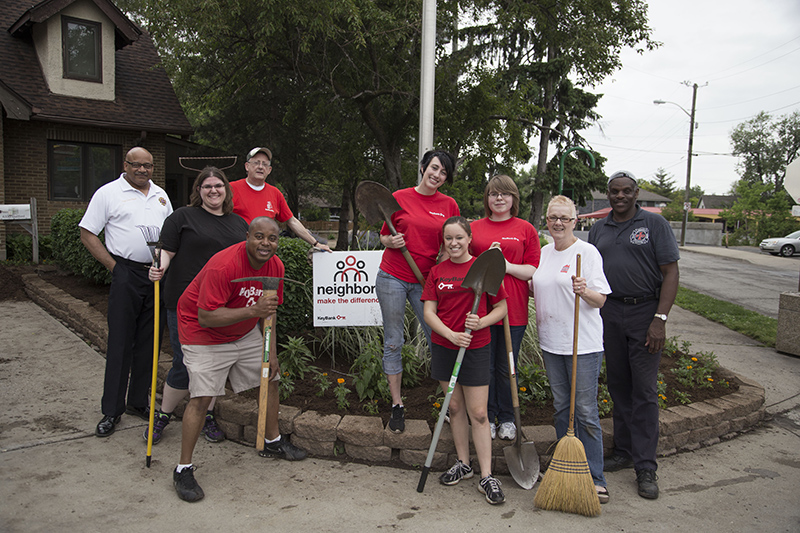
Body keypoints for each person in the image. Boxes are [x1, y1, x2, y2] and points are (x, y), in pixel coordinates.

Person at [172, 217, 307, 503]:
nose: (265, 243)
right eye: (259, 236)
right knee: (202, 397)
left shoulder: (275, 267)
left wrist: (270, 352)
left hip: (242, 331)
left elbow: (268, 310)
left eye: (272, 238)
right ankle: (183, 468)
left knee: (270, 378)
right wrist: (252, 311)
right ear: (247, 236)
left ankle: (272, 442)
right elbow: (206, 316)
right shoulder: (224, 265)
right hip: (202, 333)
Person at [588, 170, 680, 500]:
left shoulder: (654, 225)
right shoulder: (599, 228)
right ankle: (624, 451)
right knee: (618, 385)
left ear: (636, 193)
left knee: (644, 390)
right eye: (615, 191)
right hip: (609, 313)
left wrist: (660, 318)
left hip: (644, 313)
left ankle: (645, 466)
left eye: (627, 191)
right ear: (608, 194)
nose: (621, 196)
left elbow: (671, 273)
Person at [144, 167, 248, 445]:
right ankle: (163, 415)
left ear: (226, 190)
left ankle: (207, 416)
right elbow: (165, 251)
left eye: (218, 186)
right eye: (207, 186)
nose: (213, 190)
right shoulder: (182, 217)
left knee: (215, 366)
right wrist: (159, 269)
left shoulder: (239, 224)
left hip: (221, 307)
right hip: (185, 303)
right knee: (183, 363)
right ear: (198, 191)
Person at [79, 147, 173, 437]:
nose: (142, 170)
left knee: (150, 341)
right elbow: (87, 233)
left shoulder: (161, 195)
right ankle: (112, 410)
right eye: (136, 165)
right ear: (125, 165)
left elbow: (171, 232)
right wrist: (113, 267)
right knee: (120, 342)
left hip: (156, 273)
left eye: (148, 166)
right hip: (125, 272)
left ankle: (137, 401)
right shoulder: (108, 193)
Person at [530, 195, 612, 504]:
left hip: (583, 344)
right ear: (547, 221)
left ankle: (595, 476)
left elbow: (601, 299)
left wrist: (585, 290)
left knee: (586, 411)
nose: (558, 223)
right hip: (552, 342)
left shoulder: (587, 252)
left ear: (575, 221)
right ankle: (567, 467)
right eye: (553, 217)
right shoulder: (543, 253)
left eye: (565, 218)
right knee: (562, 408)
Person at [422, 216, 508, 505]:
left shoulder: (483, 268)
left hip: (476, 347)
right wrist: (451, 335)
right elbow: (429, 313)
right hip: (446, 346)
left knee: (479, 412)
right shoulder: (437, 272)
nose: (454, 243)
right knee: (454, 406)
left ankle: (487, 475)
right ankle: (464, 464)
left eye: (459, 237)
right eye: (449, 238)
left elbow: (502, 308)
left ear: (470, 238)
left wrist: (481, 322)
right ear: (443, 241)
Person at [376, 149, 460, 433]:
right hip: (392, 277)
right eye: (434, 168)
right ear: (423, 167)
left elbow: (452, 244)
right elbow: (383, 235)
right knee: (393, 340)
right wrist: (391, 241)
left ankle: (452, 406)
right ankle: (397, 405)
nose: (437, 175)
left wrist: (445, 273)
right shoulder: (399, 197)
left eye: (443, 172)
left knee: (438, 337)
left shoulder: (449, 205)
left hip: (426, 281)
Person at [470, 174, 540, 440]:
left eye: (505, 194)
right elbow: (466, 263)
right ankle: (486, 416)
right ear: (487, 199)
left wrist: (504, 265)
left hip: (514, 309)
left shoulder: (526, 229)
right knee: (485, 366)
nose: (499, 198)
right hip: (481, 308)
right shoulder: (475, 228)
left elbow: (531, 269)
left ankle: (508, 418)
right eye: (493, 194)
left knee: (507, 365)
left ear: (513, 199)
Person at [230, 147, 331, 252]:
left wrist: (316, 243)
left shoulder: (275, 193)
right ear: (247, 166)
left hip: (263, 253)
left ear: (269, 170)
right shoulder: (230, 189)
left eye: (264, 164)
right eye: (256, 163)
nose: (260, 167)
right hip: (236, 251)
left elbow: (292, 221)